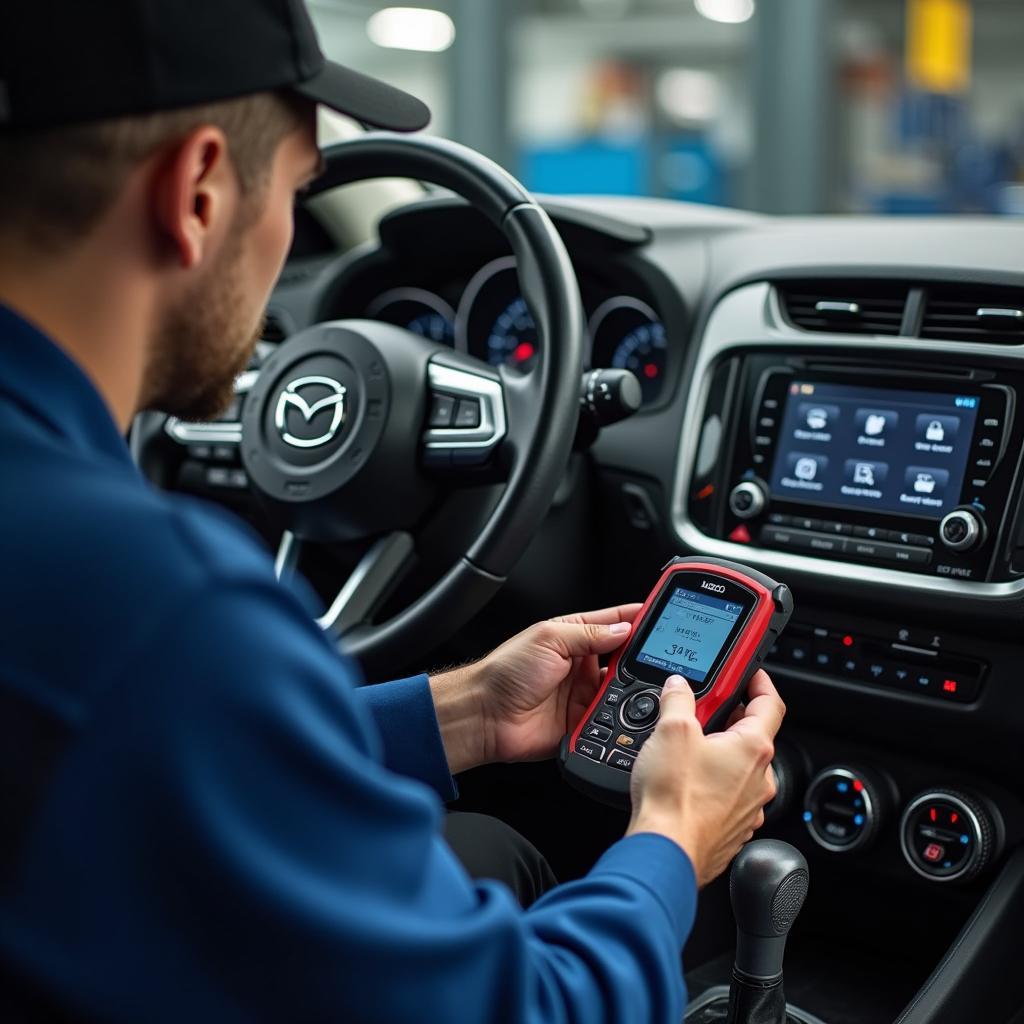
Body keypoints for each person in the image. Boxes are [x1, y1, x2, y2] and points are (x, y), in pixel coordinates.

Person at [0, 2, 784, 1021]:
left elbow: (150, 743)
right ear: (195, 193)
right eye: (296, 191)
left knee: (484, 847)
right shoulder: (163, 608)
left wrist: (457, 712)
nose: (288, 239)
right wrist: (672, 838)